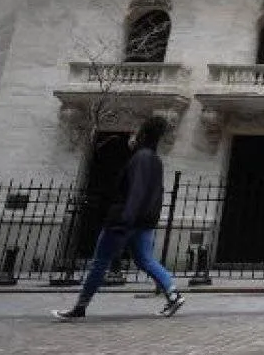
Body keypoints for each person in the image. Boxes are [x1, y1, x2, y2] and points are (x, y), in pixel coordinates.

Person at [53, 116, 185, 321]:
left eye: (135, 133)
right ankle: (173, 294)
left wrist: (125, 219)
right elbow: (156, 193)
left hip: (125, 220)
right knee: (145, 259)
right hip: (143, 221)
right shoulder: (155, 160)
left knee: (100, 263)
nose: (131, 137)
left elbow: (137, 191)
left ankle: (80, 306)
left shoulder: (141, 157)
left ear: (142, 135)